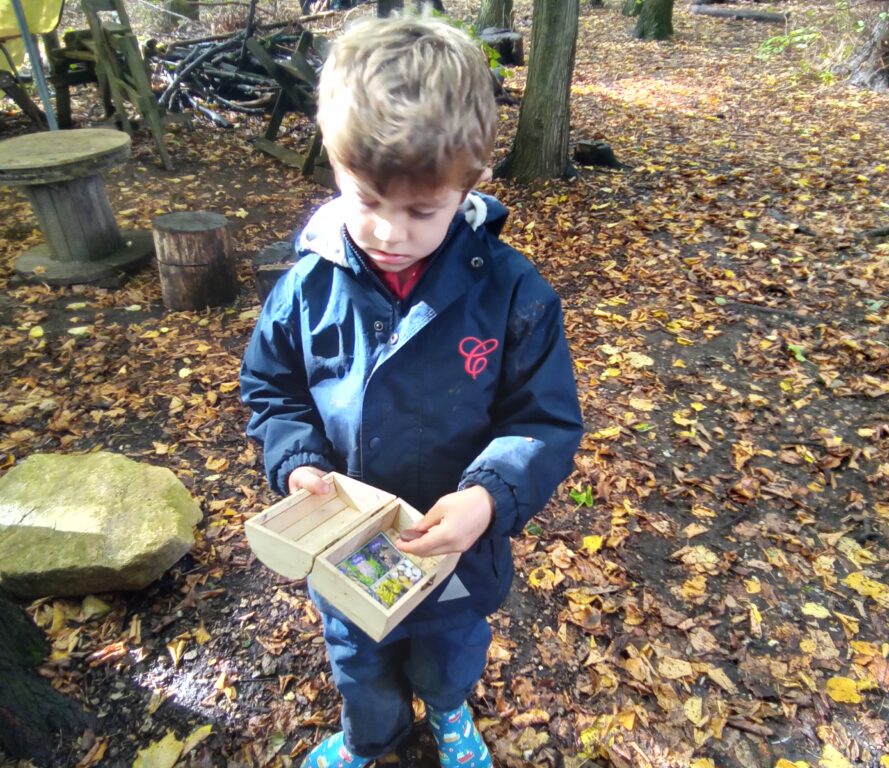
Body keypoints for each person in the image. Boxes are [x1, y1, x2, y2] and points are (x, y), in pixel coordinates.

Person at [240, 13, 583, 768]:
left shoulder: (512, 293)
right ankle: (372, 737)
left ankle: (452, 715)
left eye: (421, 211)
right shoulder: (307, 287)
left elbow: (544, 419)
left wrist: (489, 495)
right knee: (358, 659)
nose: (389, 232)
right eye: (365, 199)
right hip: (345, 545)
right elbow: (273, 387)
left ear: (468, 187)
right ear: (335, 167)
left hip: (455, 552)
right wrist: (294, 456)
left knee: (448, 654)